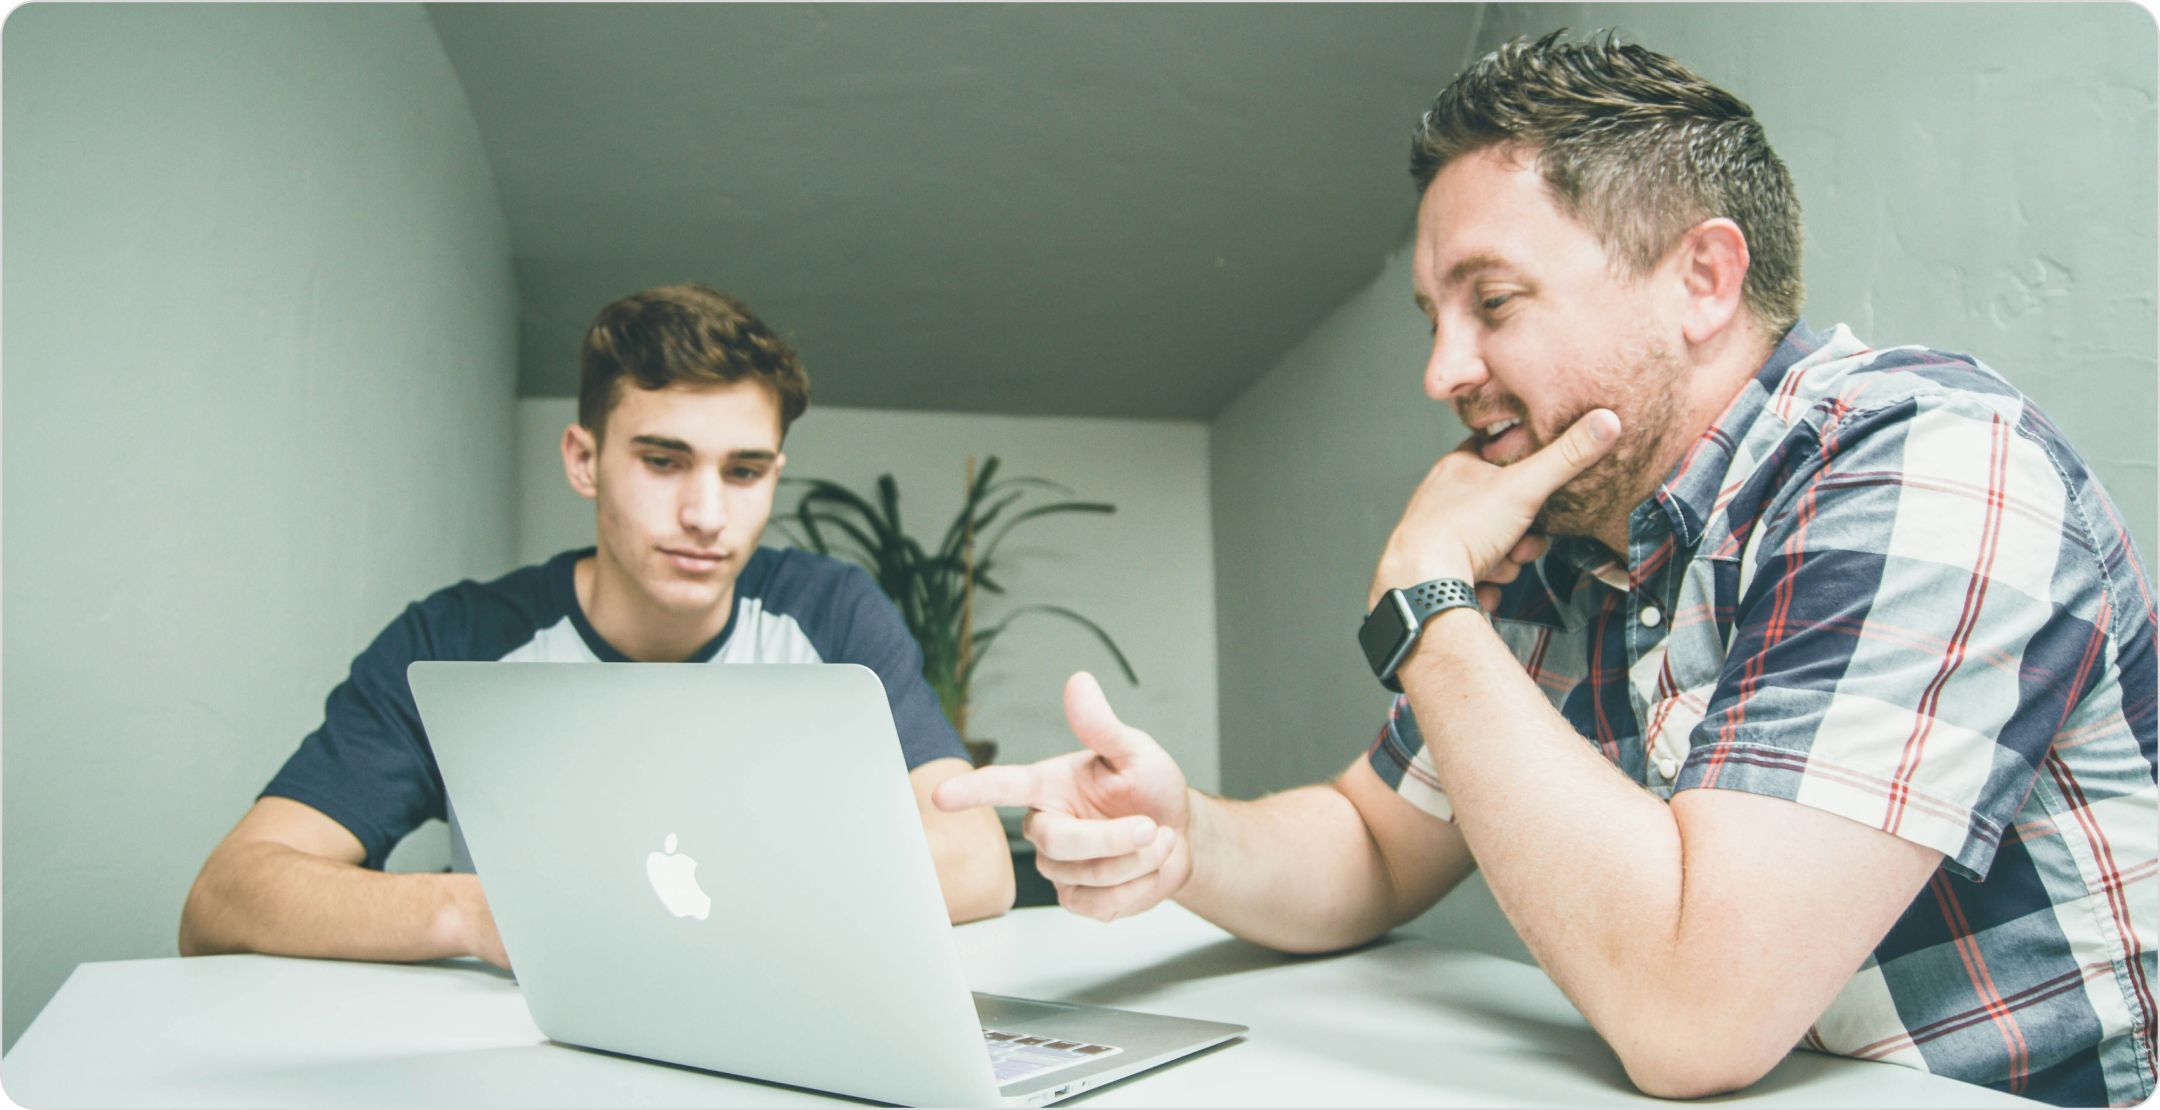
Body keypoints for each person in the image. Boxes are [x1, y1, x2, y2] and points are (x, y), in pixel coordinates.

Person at [936, 32, 2156, 1107]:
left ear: (1703, 279)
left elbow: (1698, 1016)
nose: (1442, 371)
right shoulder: (1571, 531)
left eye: (1494, 302)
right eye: (1432, 317)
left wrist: (1426, 597)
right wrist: (1187, 837)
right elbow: (1372, 842)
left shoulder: (1927, 467)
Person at [181, 283, 1015, 968]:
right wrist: (477, 913)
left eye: (744, 471)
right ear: (585, 459)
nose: (705, 514)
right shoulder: (458, 640)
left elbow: (977, 863)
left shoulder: (830, 614)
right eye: (663, 461)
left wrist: (685, 902)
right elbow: (228, 895)